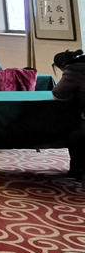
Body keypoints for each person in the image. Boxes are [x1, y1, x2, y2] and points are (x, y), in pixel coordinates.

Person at [51, 50, 85, 180]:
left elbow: (58, 93)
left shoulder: (74, 70)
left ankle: (77, 169)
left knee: (74, 132)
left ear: (61, 65)